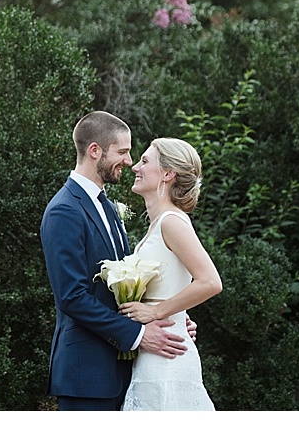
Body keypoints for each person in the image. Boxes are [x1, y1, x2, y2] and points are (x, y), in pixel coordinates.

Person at [40, 112, 191, 411]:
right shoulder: (64, 210)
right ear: (95, 151)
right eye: (122, 152)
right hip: (87, 376)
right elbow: (72, 296)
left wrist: (167, 319)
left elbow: (122, 286)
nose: (129, 161)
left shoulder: (108, 207)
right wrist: (138, 335)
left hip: (125, 372)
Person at [119, 137, 222, 411]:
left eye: (144, 161)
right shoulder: (157, 225)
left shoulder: (172, 222)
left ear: (167, 174)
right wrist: (178, 313)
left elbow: (210, 281)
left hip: (167, 359)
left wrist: (157, 312)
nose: (135, 167)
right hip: (155, 352)